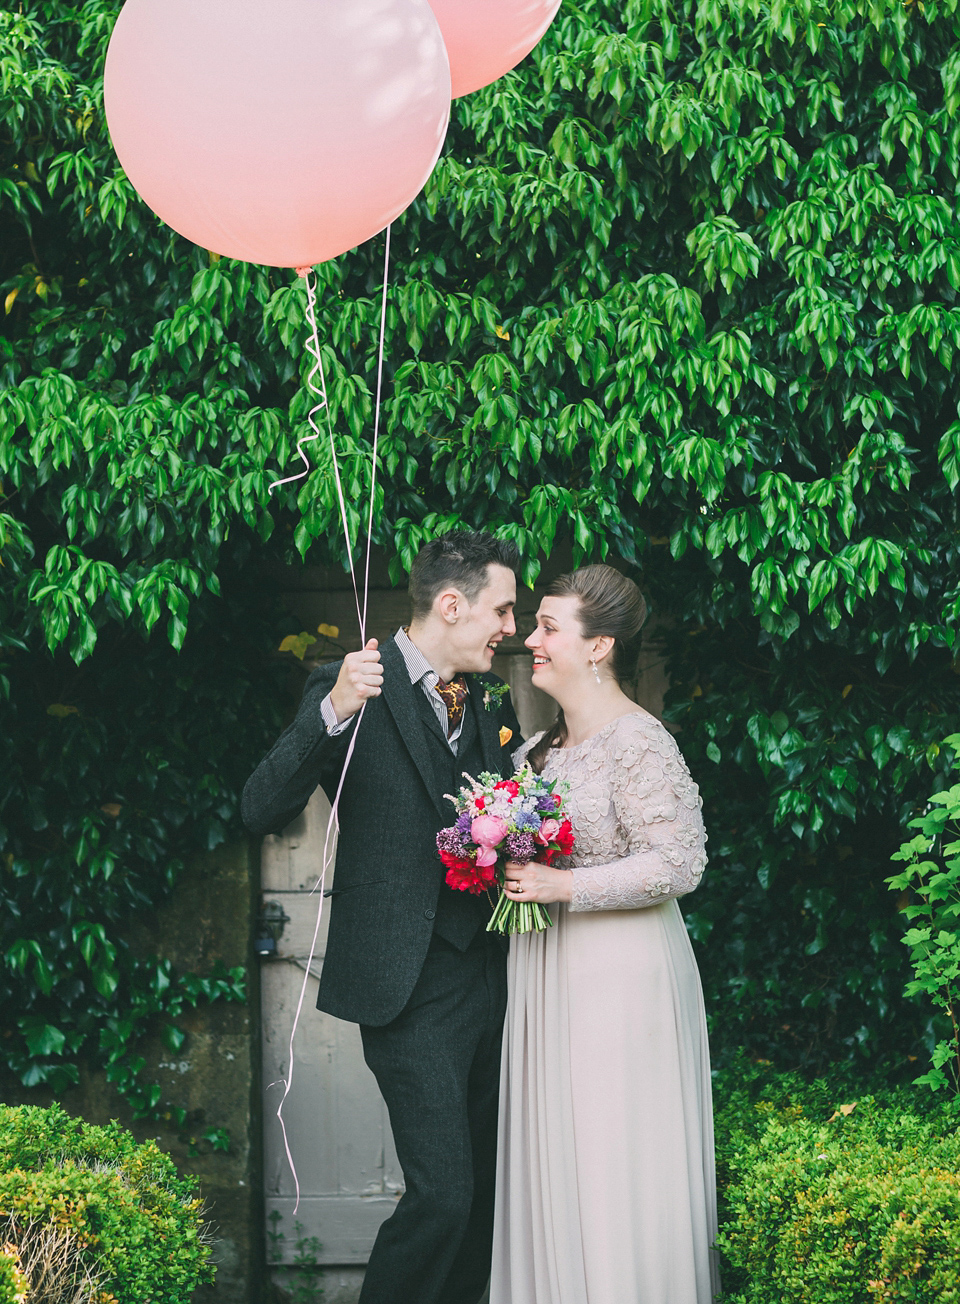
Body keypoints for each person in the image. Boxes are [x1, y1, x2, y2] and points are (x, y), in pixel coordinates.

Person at [242, 531, 524, 1304]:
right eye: (502, 609)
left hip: (491, 974)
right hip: (402, 981)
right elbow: (259, 806)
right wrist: (331, 710)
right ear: (452, 604)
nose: (510, 626)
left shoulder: (491, 700)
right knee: (443, 1195)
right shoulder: (350, 684)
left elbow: (502, 816)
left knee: (488, 1193)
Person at [490, 563, 718, 1304]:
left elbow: (680, 863)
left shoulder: (638, 742)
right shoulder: (533, 753)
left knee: (612, 1150)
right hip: (543, 972)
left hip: (620, 976)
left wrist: (565, 887)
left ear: (600, 646)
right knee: (554, 1153)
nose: (531, 639)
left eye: (549, 627)